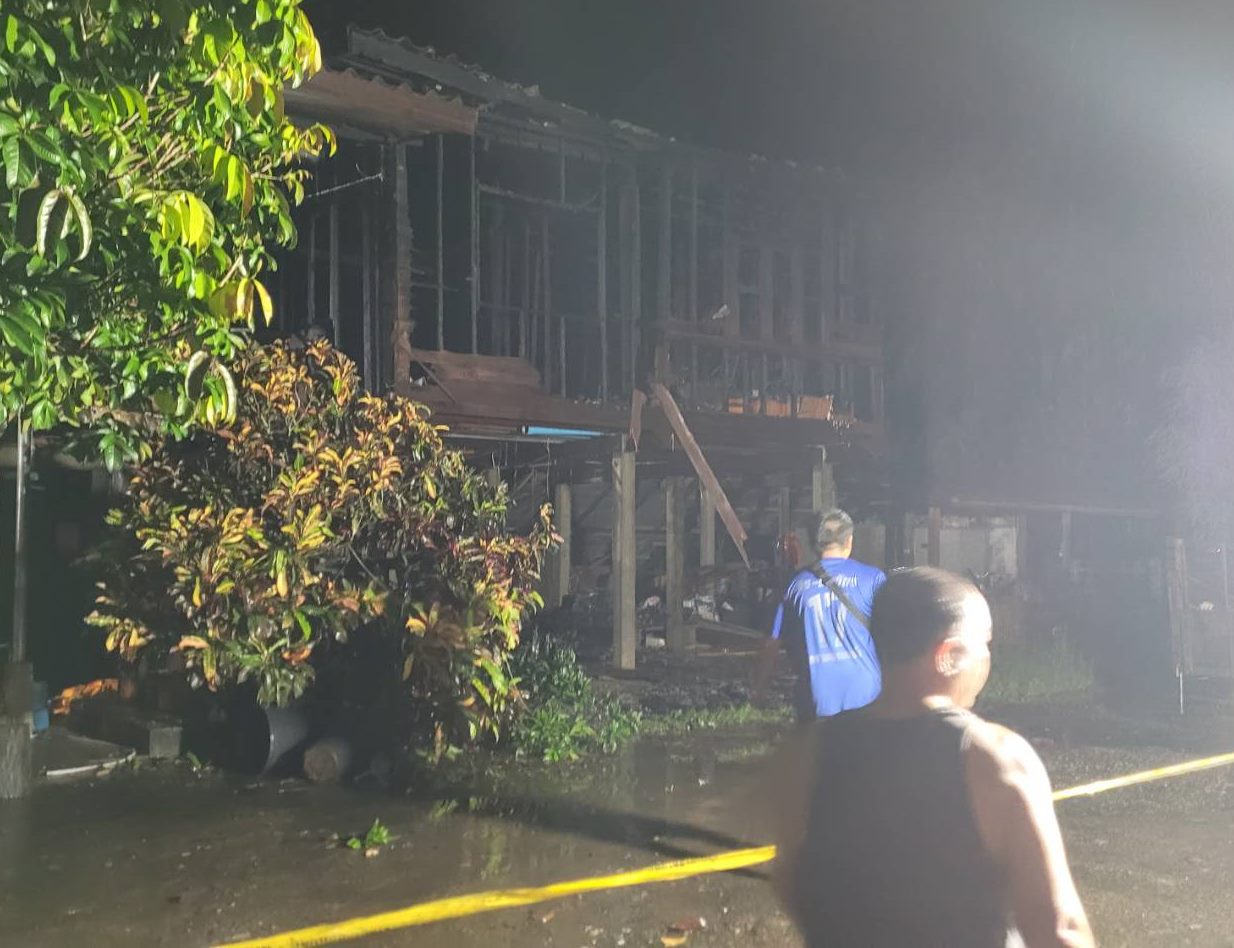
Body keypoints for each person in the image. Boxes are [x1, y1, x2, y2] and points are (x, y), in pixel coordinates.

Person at [770, 567, 1094, 948]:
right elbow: (1059, 929)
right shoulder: (995, 759)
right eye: (985, 644)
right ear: (948, 656)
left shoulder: (806, 752)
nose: (988, 658)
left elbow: (790, 882)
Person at [753, 509, 885, 721]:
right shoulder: (873, 579)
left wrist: (758, 689)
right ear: (849, 541)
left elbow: (772, 643)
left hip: (816, 697)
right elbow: (892, 635)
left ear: (814, 543)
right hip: (866, 694)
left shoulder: (795, 584)